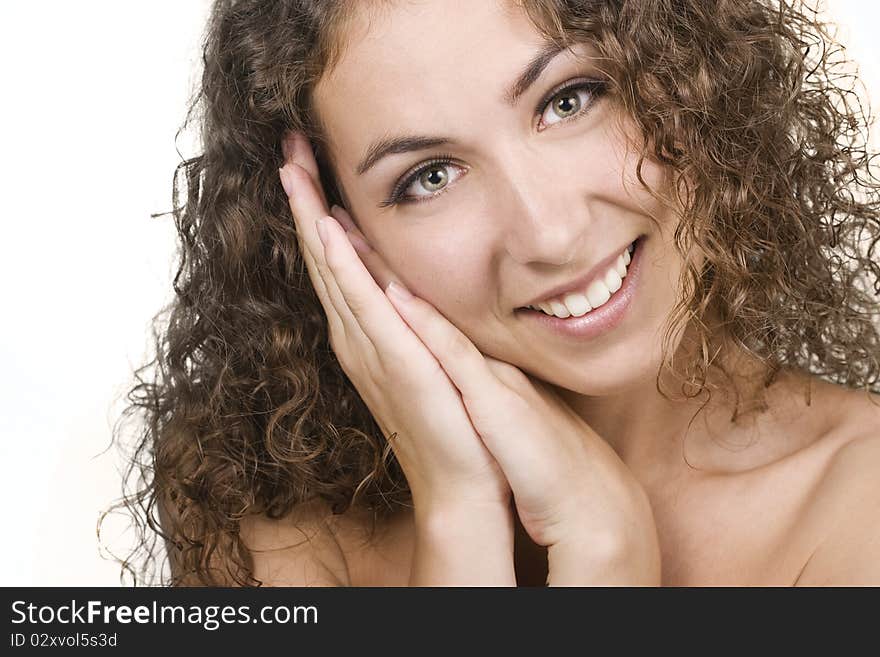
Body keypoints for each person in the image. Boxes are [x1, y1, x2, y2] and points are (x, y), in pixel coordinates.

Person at [109, 0, 880, 586]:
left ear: (685, 72)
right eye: (429, 177)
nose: (550, 234)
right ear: (332, 234)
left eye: (569, 99)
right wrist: (462, 513)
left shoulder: (860, 505)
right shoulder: (270, 510)